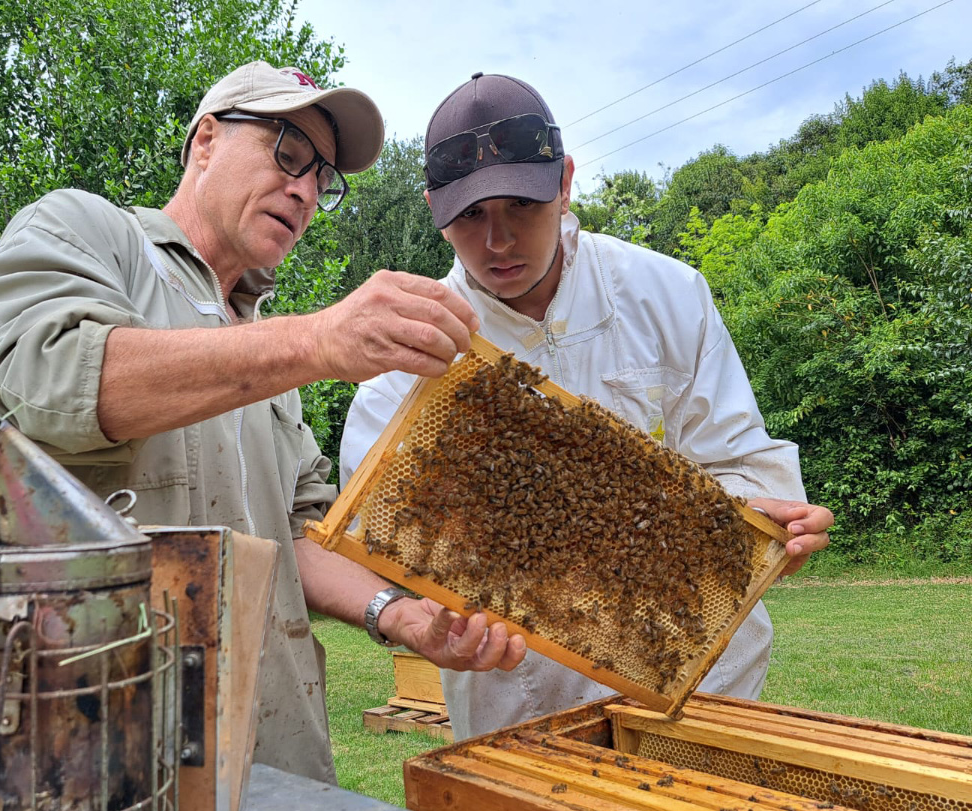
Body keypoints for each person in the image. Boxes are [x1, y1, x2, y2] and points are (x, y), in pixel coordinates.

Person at [0, 61, 525, 784]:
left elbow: (296, 533)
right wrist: (313, 341)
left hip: (279, 765)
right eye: (288, 150)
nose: (305, 190)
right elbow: (51, 379)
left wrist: (397, 614)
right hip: (100, 768)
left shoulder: (268, 354)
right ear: (205, 140)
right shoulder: (87, 231)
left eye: (322, 176)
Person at [339, 73, 834, 742]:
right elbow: (385, 555)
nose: (498, 240)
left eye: (521, 203)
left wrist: (770, 528)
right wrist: (417, 618)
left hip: (698, 689)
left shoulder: (666, 294)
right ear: (434, 210)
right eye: (470, 216)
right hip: (516, 711)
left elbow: (741, 461)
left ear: (564, 180)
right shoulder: (404, 362)